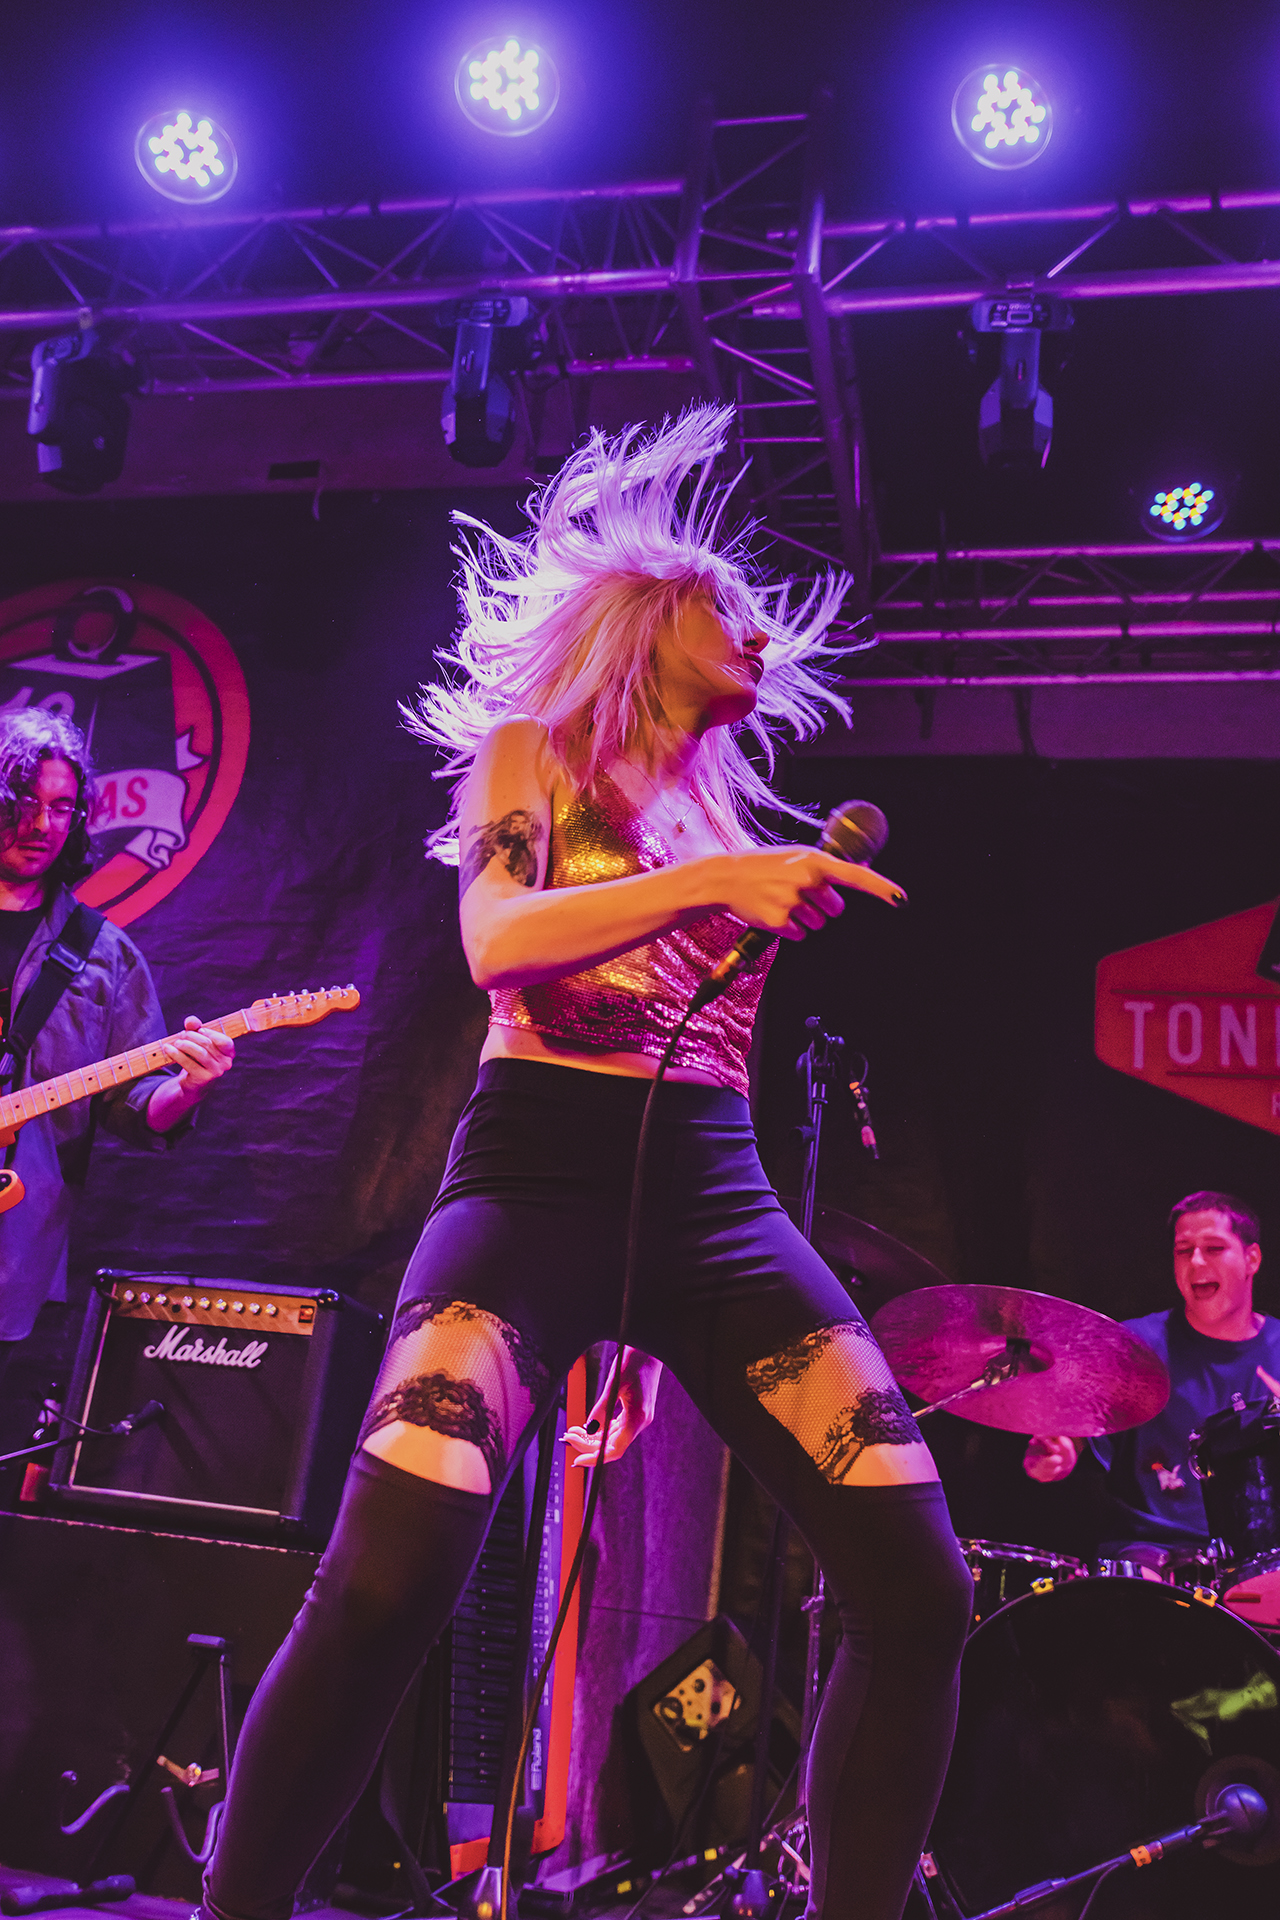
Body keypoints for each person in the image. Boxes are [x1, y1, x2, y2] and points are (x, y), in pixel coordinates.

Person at [202, 407, 972, 1920]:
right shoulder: (532, 759)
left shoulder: (728, 812)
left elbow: (711, 1043)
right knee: (387, 1583)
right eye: (726, 606)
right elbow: (500, 945)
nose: (758, 631)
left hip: (714, 1204)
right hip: (528, 1191)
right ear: (645, 620)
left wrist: (643, 1307)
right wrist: (724, 880)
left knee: (918, 1588)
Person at [0, 708, 235, 1462]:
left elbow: (138, 1107)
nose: (43, 824)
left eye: (62, 807)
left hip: (16, 1245)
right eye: (25, 801)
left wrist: (189, 1089)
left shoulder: (102, 955)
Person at [1024, 1189, 1280, 1564]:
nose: (1196, 1261)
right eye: (1183, 1250)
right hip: (1152, 1552)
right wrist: (1059, 1451)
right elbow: (1077, 1431)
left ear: (1251, 1259)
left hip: (1262, 1560)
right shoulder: (1136, 1345)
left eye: (1214, 1248)